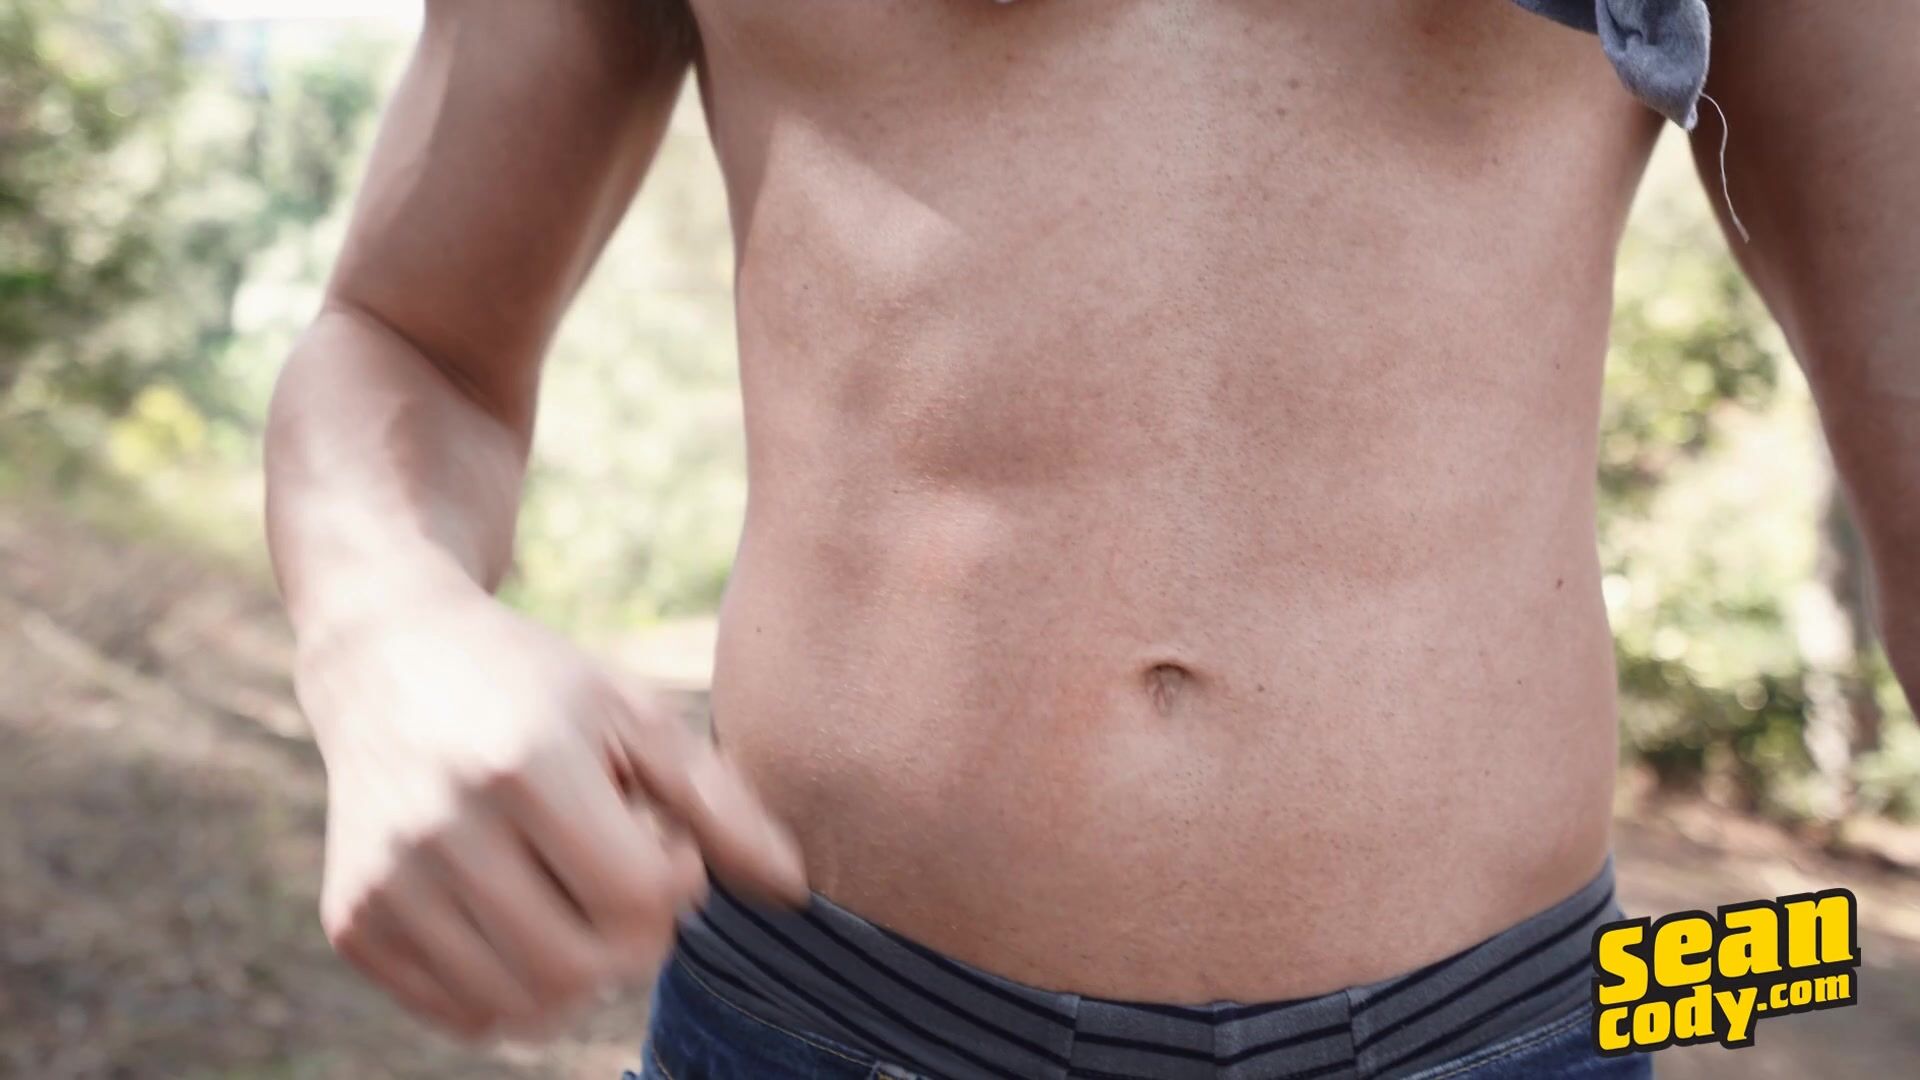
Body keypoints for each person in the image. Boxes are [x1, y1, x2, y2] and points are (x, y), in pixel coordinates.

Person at [263, 1, 1918, 1077]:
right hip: (822, 1019)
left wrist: (1788, 960)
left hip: (1518, 1027)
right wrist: (379, 623)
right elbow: (405, 339)